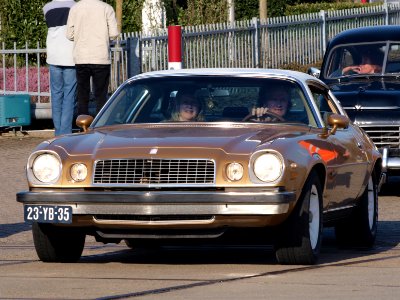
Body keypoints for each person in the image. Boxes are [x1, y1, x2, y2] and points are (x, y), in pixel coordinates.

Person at [66, 0, 119, 116]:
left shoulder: (75, 8)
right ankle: (100, 124)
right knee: (101, 95)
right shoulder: (107, 8)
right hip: (101, 56)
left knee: (82, 94)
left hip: (81, 56)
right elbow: (114, 33)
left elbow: (69, 34)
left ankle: (82, 126)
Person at [43, 0, 77, 136]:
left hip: (53, 55)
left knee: (56, 94)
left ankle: (58, 132)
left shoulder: (47, 7)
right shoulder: (75, 6)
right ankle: (66, 132)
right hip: (70, 55)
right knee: (69, 96)